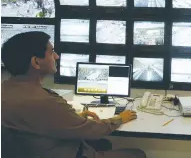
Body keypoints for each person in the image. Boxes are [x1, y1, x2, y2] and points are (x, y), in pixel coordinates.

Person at [1, 31, 146, 158]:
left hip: (40, 150)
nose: (56, 56)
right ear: (36, 62)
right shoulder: (44, 102)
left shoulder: (5, 91)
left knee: (103, 144)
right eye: (51, 52)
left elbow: (36, 124)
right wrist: (119, 118)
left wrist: (71, 119)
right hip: (65, 153)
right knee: (138, 154)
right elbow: (93, 130)